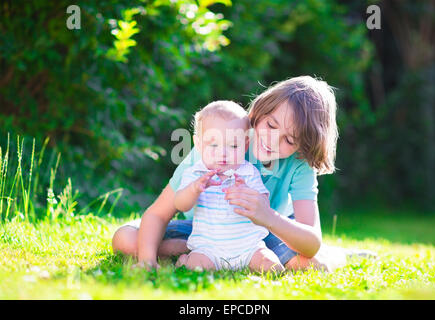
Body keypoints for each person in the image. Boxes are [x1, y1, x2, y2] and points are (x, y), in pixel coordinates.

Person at [112, 75, 372, 272]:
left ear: (302, 147)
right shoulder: (220, 144)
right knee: (126, 238)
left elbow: (311, 239)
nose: (272, 140)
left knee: (314, 261)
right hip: (203, 230)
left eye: (289, 140)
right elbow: (158, 213)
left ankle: (340, 254)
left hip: (263, 232)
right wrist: (147, 260)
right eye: (270, 124)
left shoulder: (299, 164)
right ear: (258, 112)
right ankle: (195, 249)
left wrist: (267, 216)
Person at [173, 100, 284, 272]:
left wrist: (248, 193)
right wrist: (194, 189)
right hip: (209, 249)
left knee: (274, 268)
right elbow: (181, 204)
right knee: (195, 268)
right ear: (199, 144)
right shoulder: (195, 174)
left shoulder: (249, 173)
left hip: (249, 248)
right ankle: (184, 260)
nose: (223, 153)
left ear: (245, 145)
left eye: (233, 145)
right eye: (213, 145)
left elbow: (264, 205)